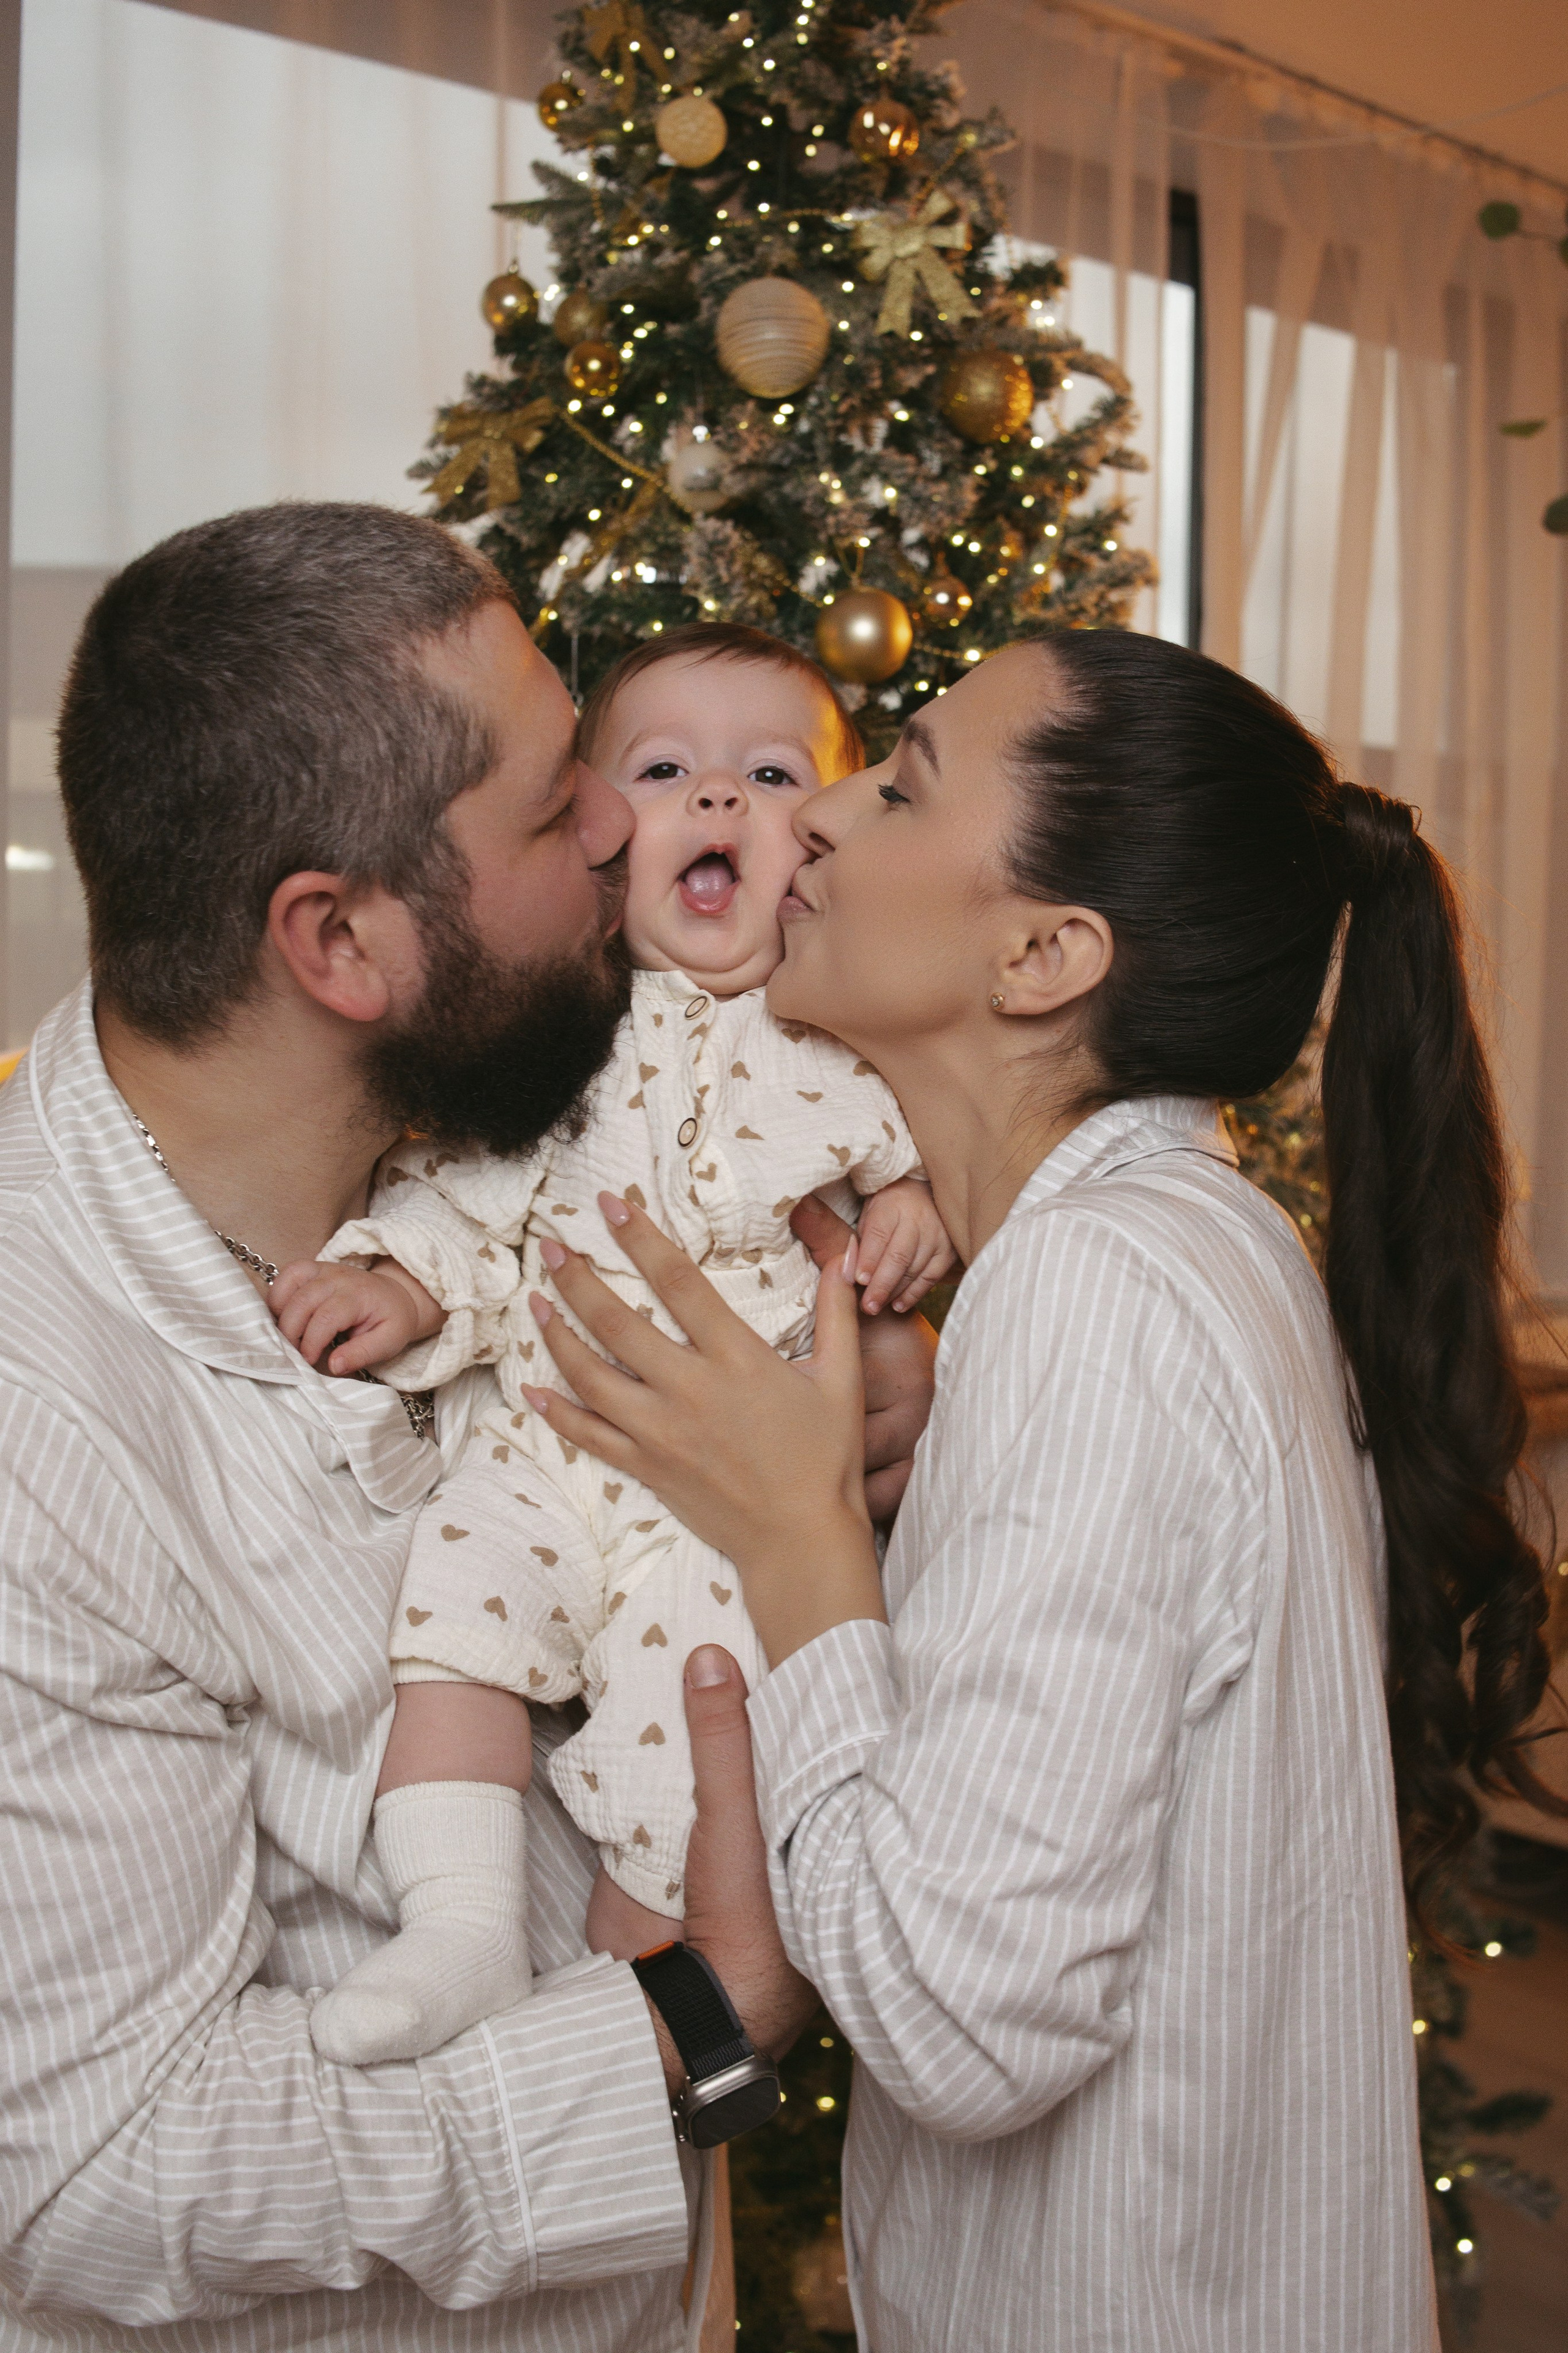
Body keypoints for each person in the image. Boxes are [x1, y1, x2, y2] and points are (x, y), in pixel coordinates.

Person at [510, 630, 1566, 2351]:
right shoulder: (1160, 1249)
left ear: (1044, 955)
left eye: (901, 782)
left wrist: (798, 1538)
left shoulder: (1098, 1294)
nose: (818, 810)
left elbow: (959, 2024)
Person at [0, 503, 937, 2353]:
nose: (617, 823)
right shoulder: (44, 1427)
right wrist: (696, 2021)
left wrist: (856, 1435)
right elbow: (96, 2170)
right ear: (341, 941)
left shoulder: (497, 1109)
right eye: (547, 804)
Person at [262, 623, 954, 2071]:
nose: (717, 797)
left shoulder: (839, 1039)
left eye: (772, 775)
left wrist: (909, 1215)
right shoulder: (563, 1025)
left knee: (686, 1726)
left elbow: (916, 1166)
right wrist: (408, 1284)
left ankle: (629, 2016)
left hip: (726, 1502)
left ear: (817, 848)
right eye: (662, 769)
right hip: (546, 1438)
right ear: (594, 838)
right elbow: (470, 1192)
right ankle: (456, 1924)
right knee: (452, 1614)